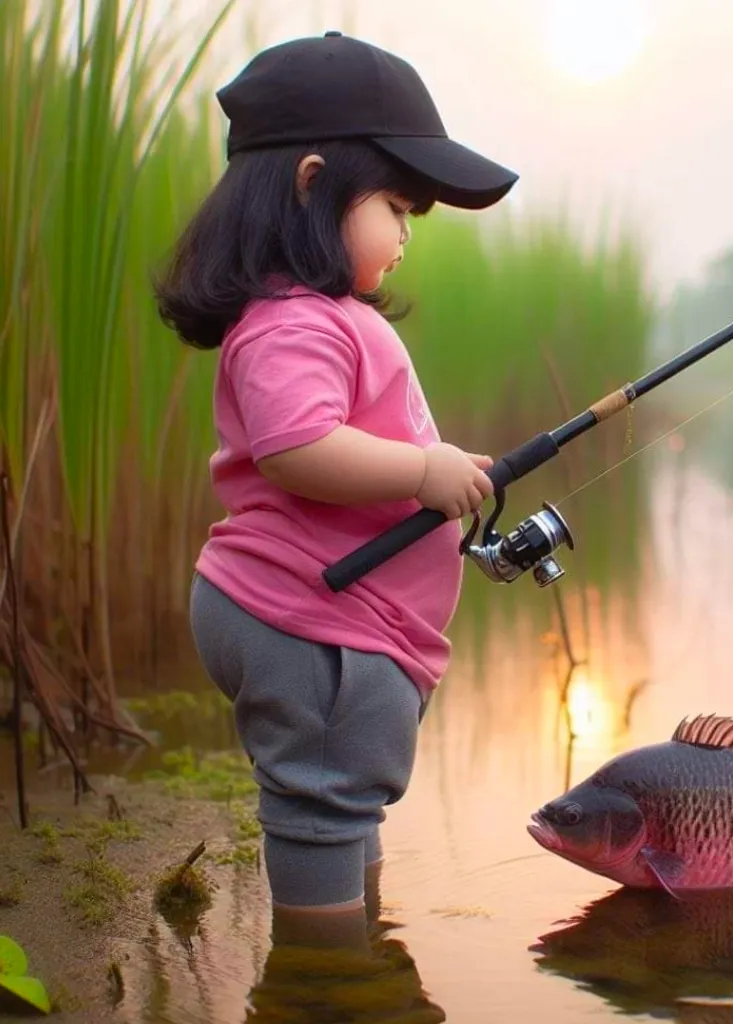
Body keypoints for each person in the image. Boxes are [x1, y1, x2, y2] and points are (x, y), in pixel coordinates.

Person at [154, 30, 518, 953]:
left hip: (333, 625)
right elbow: (297, 446)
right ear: (314, 183)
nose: (405, 234)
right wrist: (426, 472)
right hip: (309, 624)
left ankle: (357, 933)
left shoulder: (321, 315)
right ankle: (324, 980)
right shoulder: (288, 321)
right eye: (398, 205)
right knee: (320, 806)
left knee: (343, 799)